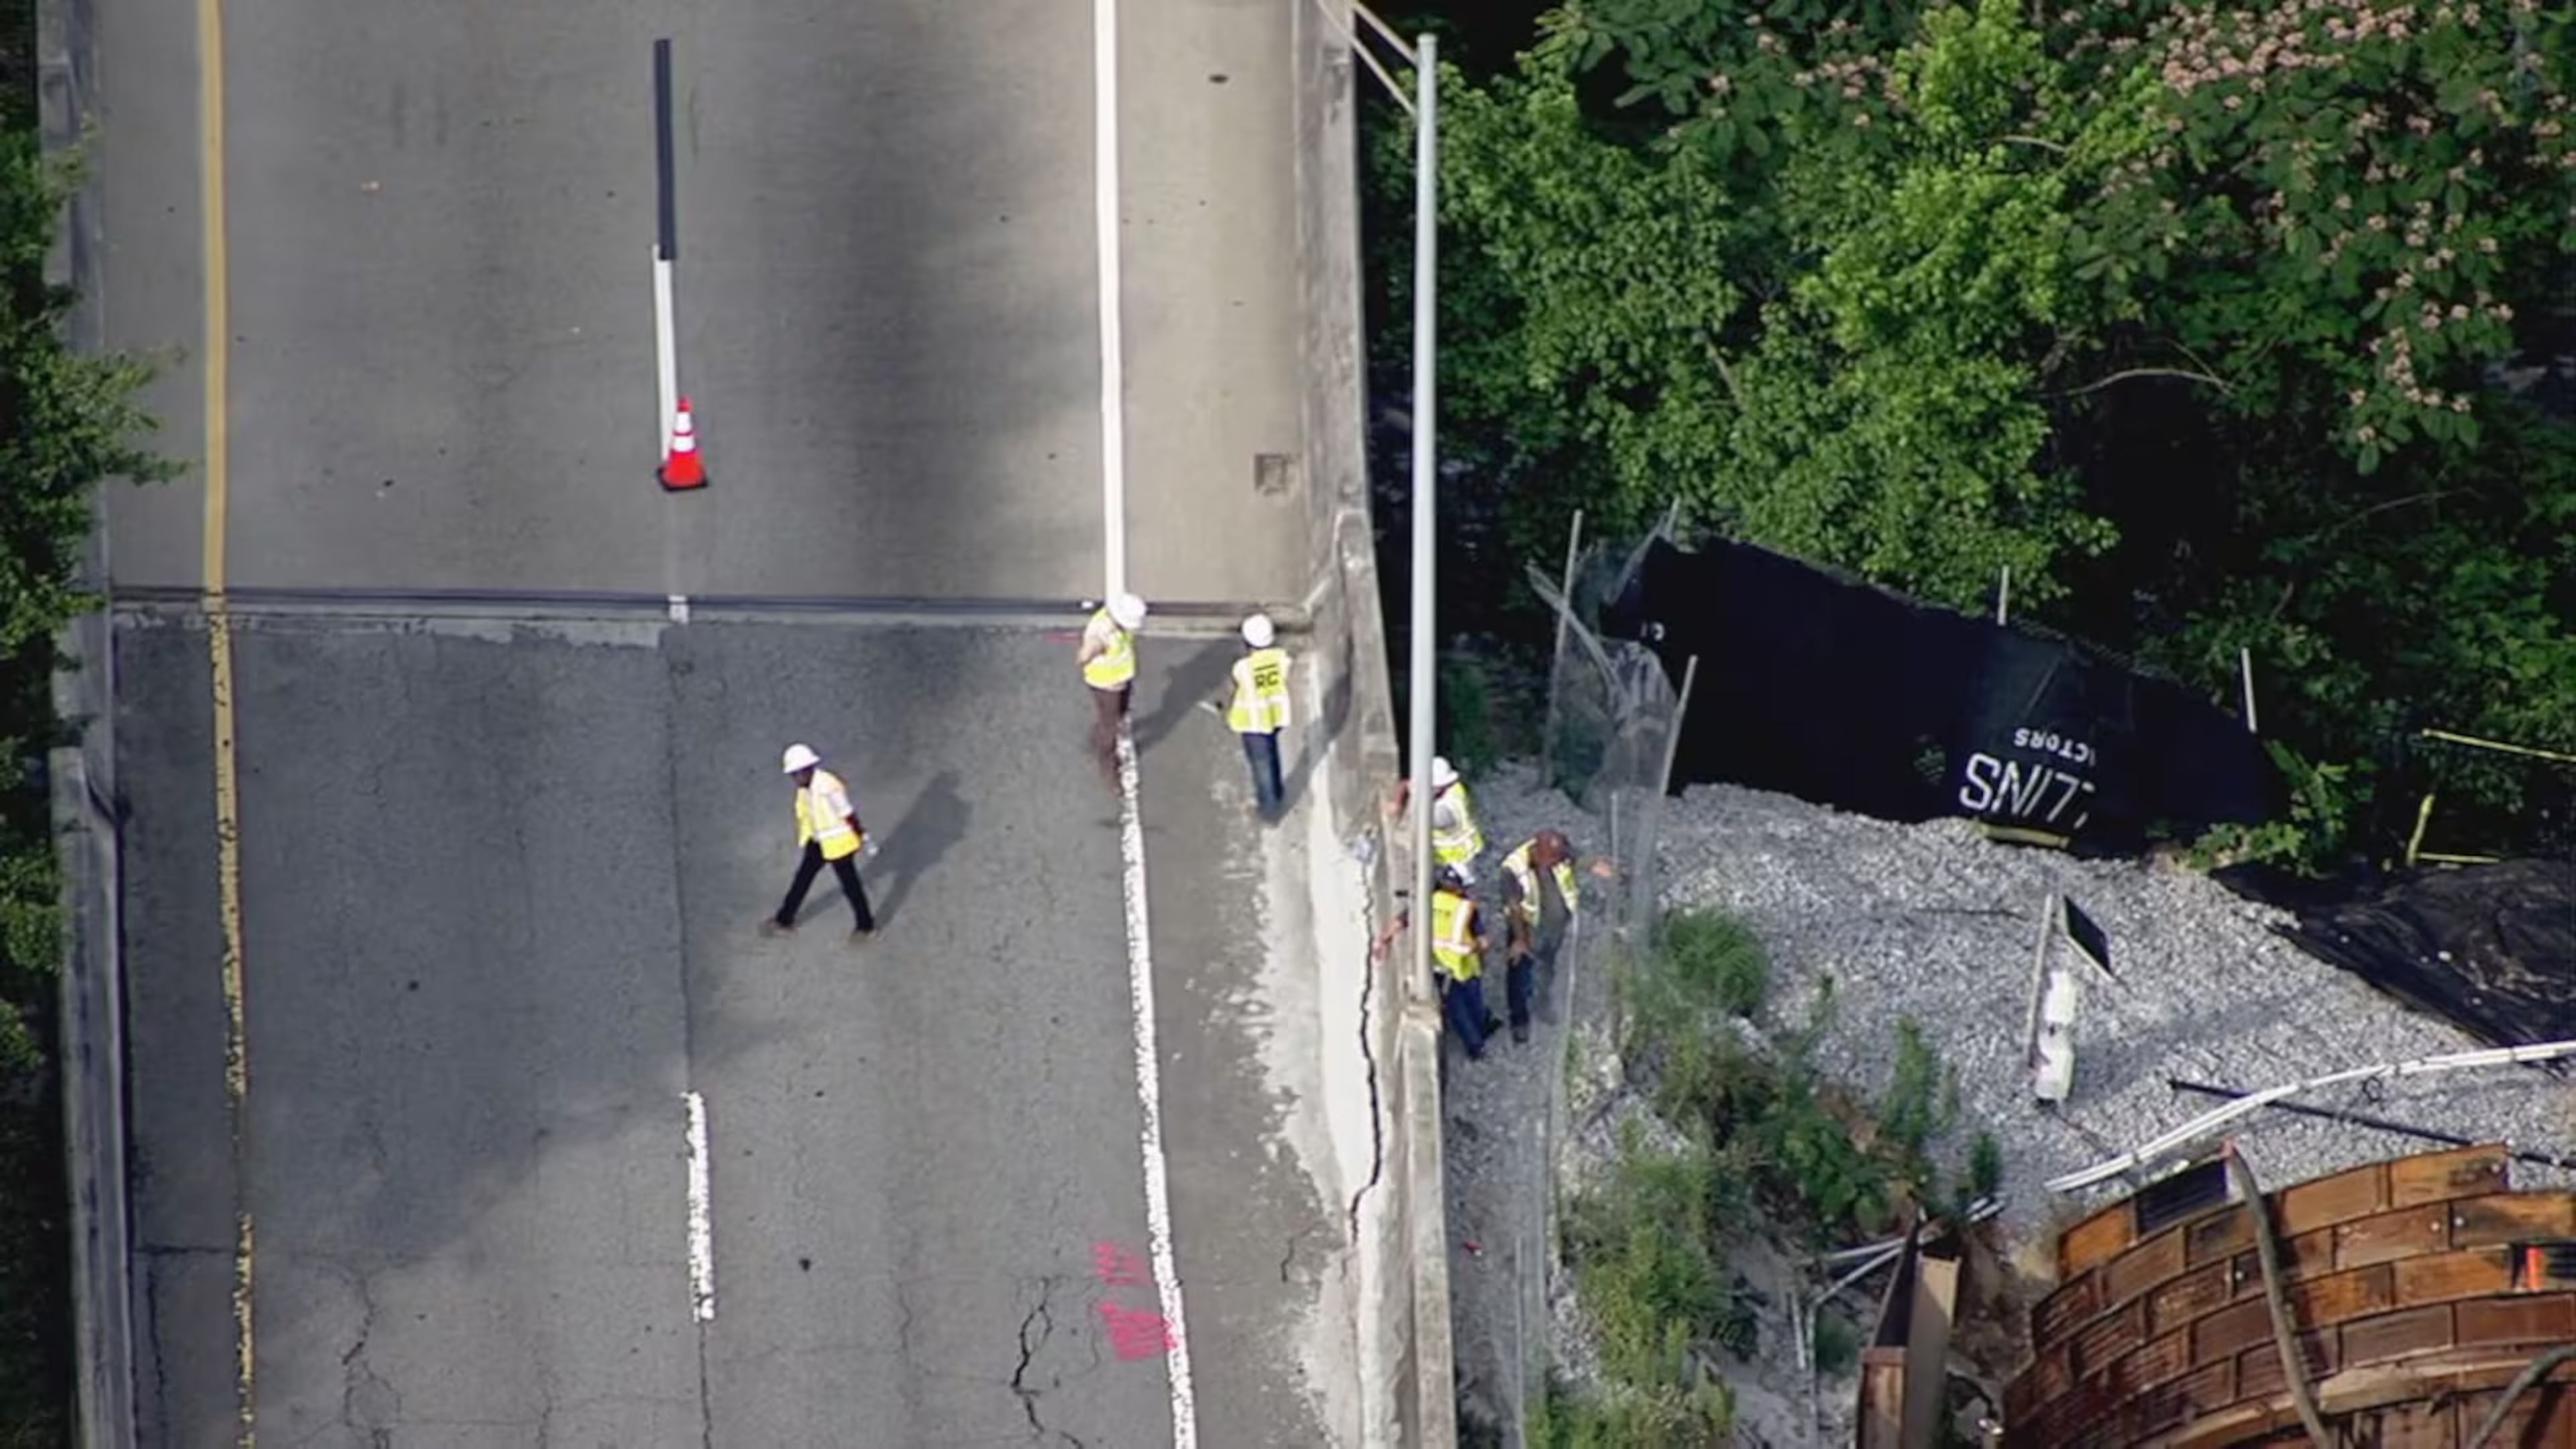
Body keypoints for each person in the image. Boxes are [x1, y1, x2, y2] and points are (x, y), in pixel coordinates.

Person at [761, 743, 875, 941]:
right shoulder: (806, 788)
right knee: (803, 878)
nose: (795, 779)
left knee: (850, 886)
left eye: (797, 774)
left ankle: (866, 926)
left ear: (808, 770)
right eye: (793, 775)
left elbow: (847, 813)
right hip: (819, 841)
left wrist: (863, 837)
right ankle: (784, 919)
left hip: (839, 844)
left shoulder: (828, 786)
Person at [1498, 830, 1583, 1045]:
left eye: (1559, 858)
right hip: (1527, 929)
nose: (1558, 863)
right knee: (1519, 975)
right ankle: (1520, 1021)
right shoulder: (1513, 869)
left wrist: (1592, 864)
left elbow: (1575, 857)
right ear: (1539, 852)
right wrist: (1520, 939)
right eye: (1553, 859)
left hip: (1553, 928)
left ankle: (1542, 1003)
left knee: (1548, 965)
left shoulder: (1558, 853)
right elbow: (1513, 907)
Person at [1224, 612, 1293, 821]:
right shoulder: (1281, 658)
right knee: (1272, 754)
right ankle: (1277, 792)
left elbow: (1233, 688)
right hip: (1275, 716)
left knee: (1260, 764)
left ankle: (1269, 810)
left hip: (1253, 722)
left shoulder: (1243, 667)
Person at [1077, 592, 1148, 790]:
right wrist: (1093, 651)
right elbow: (1082, 657)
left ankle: (1098, 738)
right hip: (1106, 685)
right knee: (1109, 725)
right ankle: (1107, 766)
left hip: (1121, 679)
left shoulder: (1116, 625)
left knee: (1120, 714)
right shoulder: (1102, 633)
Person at [1430, 868, 1500, 1060]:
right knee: (1472, 1000)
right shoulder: (1465, 908)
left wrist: (1384, 939)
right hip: (1465, 965)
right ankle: (1481, 1032)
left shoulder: (1426, 902)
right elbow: (1483, 942)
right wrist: (1482, 958)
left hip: (1439, 966)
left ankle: (1476, 1046)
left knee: (1456, 1008)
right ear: (1459, 888)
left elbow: (1403, 921)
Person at [1391, 755, 1487, 885]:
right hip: (1448, 856)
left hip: (1457, 860)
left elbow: (1416, 822)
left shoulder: (1442, 813)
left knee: (1453, 896)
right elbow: (1405, 784)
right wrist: (1396, 803)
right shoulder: (1454, 788)